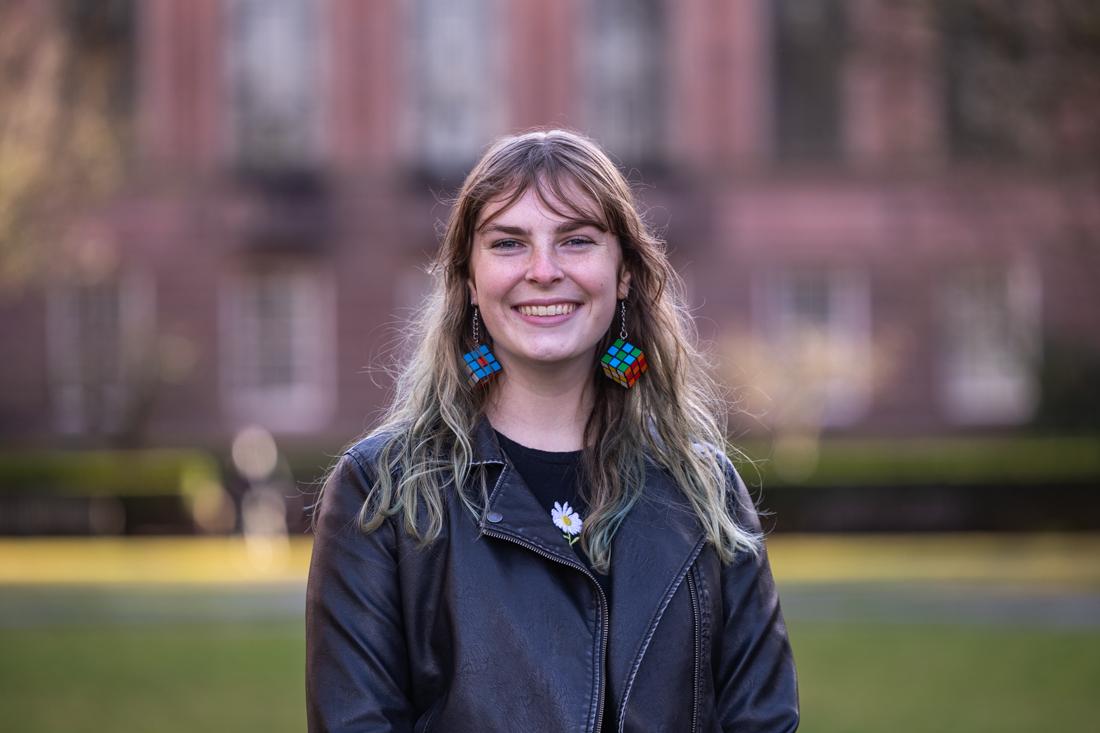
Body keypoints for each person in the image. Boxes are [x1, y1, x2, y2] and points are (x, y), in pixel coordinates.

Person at [306, 129, 799, 732]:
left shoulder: (705, 490)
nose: (543, 271)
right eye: (509, 243)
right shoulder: (379, 491)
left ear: (623, 275)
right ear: (468, 281)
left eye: (577, 240)